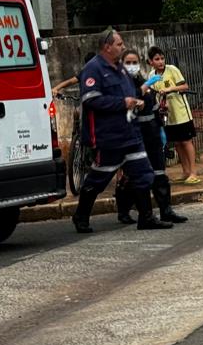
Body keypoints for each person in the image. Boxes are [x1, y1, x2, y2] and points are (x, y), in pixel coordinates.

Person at [71, 29, 172, 234]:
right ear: (107, 47)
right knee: (98, 178)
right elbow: (90, 99)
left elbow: (130, 93)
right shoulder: (93, 69)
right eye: (119, 44)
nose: (123, 47)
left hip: (131, 134)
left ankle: (146, 217)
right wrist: (122, 103)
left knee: (143, 174)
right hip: (109, 137)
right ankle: (81, 215)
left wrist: (138, 99)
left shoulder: (121, 69)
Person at [113, 49, 187, 226]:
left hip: (152, 133)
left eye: (134, 62)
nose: (132, 66)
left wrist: (160, 129)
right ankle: (125, 211)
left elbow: (152, 107)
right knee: (135, 176)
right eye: (128, 62)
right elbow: (125, 103)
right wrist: (143, 90)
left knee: (160, 172)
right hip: (135, 136)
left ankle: (166, 210)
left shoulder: (142, 81)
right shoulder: (121, 83)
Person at [148, 47, 200, 185]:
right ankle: (185, 171)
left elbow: (185, 86)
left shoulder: (172, 70)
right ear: (151, 62)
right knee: (177, 143)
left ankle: (193, 172)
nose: (160, 62)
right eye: (157, 59)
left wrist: (170, 89)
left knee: (186, 141)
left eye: (162, 58)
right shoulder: (151, 75)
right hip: (167, 115)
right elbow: (153, 93)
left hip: (181, 112)